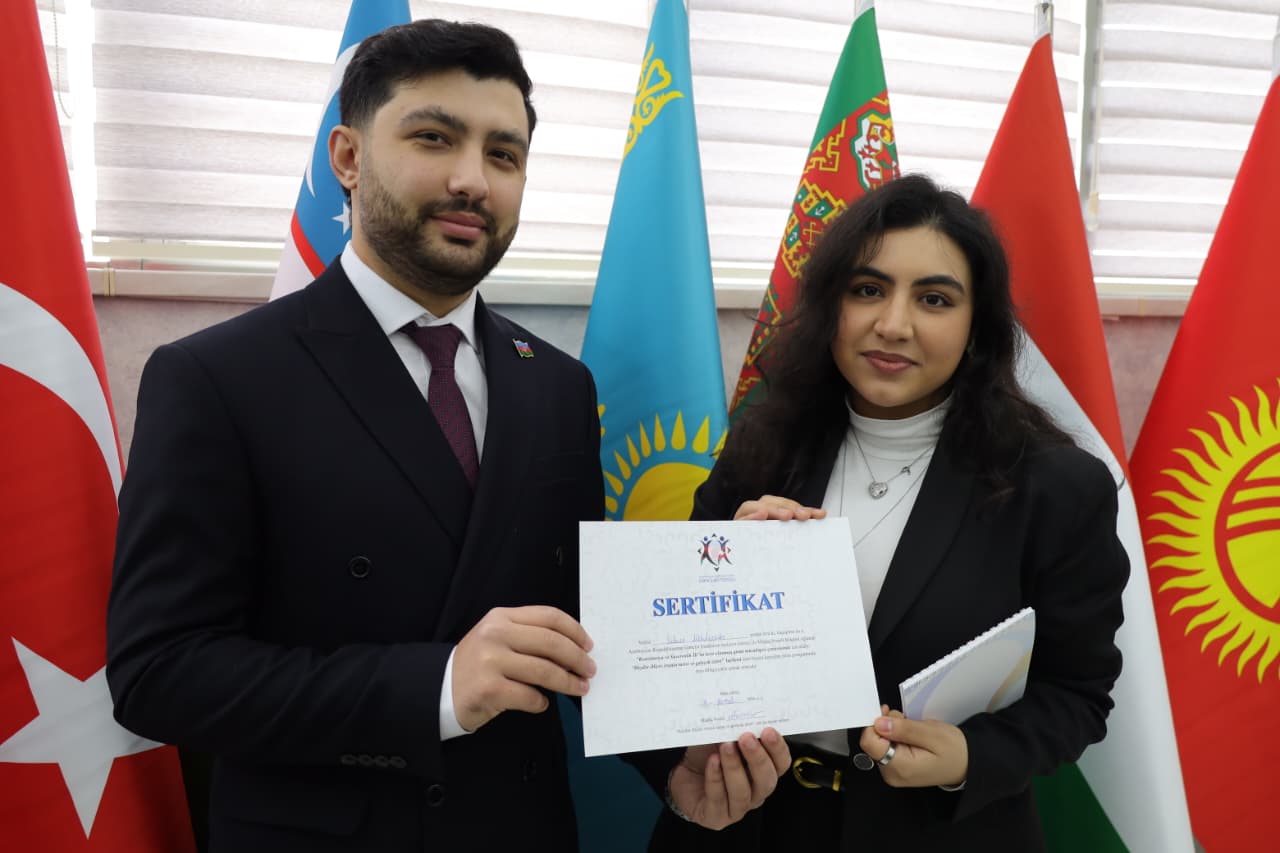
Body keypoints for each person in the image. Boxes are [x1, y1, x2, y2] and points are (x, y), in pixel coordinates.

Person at [108, 20, 603, 853]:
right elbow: (158, 672)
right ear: (347, 156)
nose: (471, 179)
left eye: (503, 154)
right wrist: (434, 687)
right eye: (434, 137)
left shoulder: (559, 384)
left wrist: (737, 582)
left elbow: (582, 620)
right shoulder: (216, 377)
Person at [641, 174, 1128, 852]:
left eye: (934, 299)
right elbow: (672, 661)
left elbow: (1078, 692)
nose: (893, 325)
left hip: (938, 834)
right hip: (749, 828)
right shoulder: (761, 444)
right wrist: (725, 568)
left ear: (977, 327)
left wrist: (970, 756)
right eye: (868, 289)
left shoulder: (1056, 485)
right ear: (830, 305)